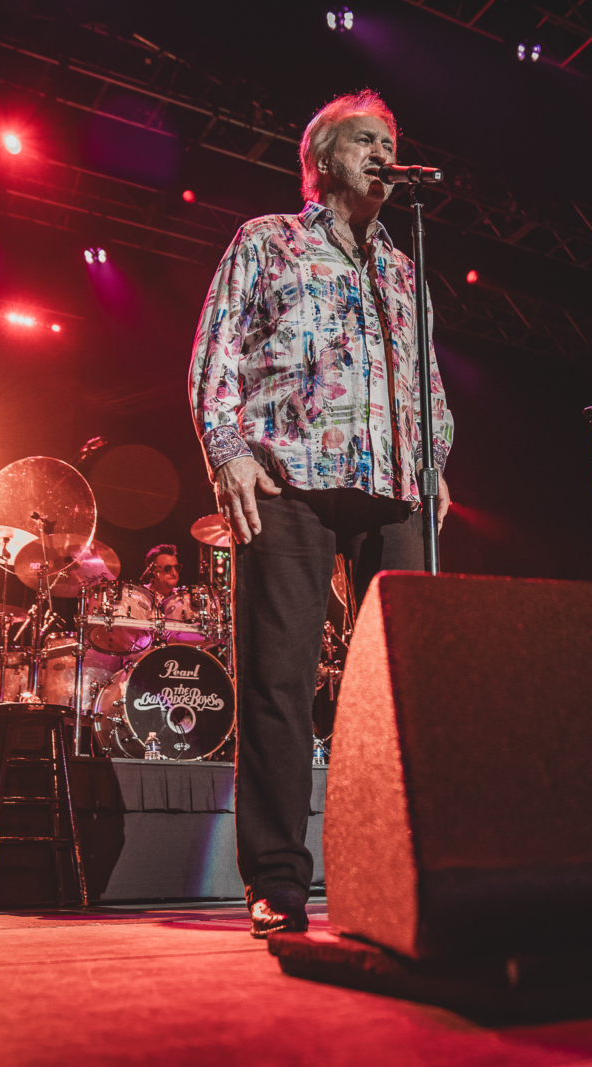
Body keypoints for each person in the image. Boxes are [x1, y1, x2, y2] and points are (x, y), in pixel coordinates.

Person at [188, 89, 454, 938]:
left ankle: (409, 866)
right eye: (368, 140)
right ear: (323, 159)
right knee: (279, 680)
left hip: (394, 481)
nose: (386, 152)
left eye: (393, 141)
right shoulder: (267, 241)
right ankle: (276, 877)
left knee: (407, 687)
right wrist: (226, 449)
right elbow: (216, 349)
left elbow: (426, 375)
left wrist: (437, 459)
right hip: (287, 479)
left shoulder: (404, 265)